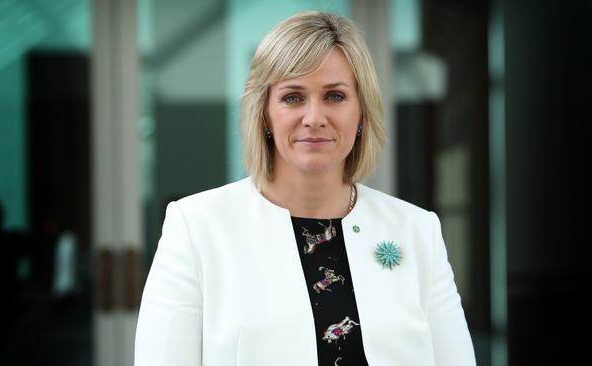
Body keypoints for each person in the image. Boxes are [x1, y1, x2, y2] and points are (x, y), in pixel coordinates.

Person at [135, 11, 475, 366]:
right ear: (264, 113)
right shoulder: (196, 228)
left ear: (361, 112)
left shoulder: (418, 231)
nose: (314, 117)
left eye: (335, 96)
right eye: (293, 97)